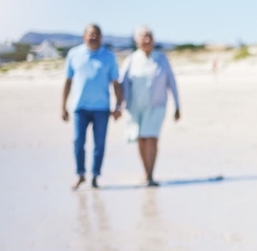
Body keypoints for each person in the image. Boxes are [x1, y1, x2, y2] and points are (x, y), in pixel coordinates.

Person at [62, 24, 123, 190]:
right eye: (90, 34)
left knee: (99, 144)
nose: (93, 37)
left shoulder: (109, 57)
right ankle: (80, 174)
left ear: (101, 37)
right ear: (84, 37)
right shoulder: (74, 54)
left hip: (102, 108)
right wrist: (63, 106)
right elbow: (68, 81)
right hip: (80, 107)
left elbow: (116, 83)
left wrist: (118, 106)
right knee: (78, 142)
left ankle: (95, 176)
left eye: (96, 34)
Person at [119, 26, 180, 187]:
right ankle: (145, 171)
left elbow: (172, 82)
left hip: (157, 105)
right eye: (143, 37)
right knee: (142, 138)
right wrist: (119, 106)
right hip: (136, 106)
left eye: (149, 36)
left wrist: (177, 105)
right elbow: (121, 84)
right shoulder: (131, 60)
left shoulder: (162, 59)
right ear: (136, 41)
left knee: (152, 138)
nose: (146, 40)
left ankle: (151, 175)